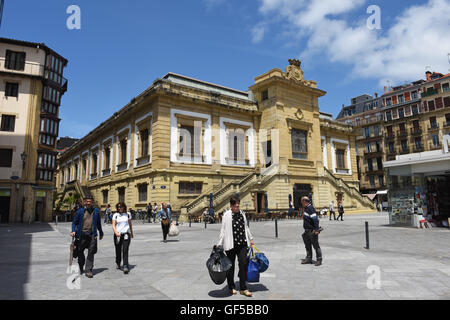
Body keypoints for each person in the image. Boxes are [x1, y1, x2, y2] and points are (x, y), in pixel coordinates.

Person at [217, 196, 254, 297]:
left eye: (238, 203)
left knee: (243, 264)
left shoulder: (242, 213)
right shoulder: (227, 215)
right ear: (231, 205)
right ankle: (231, 286)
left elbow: (246, 226)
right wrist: (219, 243)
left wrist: (250, 238)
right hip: (230, 244)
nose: (237, 206)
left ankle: (243, 288)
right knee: (231, 266)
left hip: (242, 243)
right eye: (235, 204)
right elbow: (223, 230)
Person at [70, 195, 104, 278]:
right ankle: (81, 265)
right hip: (81, 235)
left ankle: (88, 270)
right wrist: (73, 230)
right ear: (85, 202)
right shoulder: (80, 211)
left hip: (92, 235)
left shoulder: (96, 211)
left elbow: (98, 223)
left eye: (90, 201)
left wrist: (101, 232)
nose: (88, 203)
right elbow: (74, 223)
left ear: (92, 202)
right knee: (80, 252)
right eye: (87, 201)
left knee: (91, 252)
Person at [112, 202, 134, 274]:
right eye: (118, 207)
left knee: (125, 249)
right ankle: (118, 262)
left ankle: (125, 265)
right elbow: (113, 225)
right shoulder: (115, 215)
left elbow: (130, 224)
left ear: (124, 207)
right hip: (118, 235)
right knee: (118, 250)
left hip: (126, 235)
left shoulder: (128, 214)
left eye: (121, 207)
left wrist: (131, 233)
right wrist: (116, 233)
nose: (119, 208)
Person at [300, 196, 322, 266]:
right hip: (306, 231)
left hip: (312, 231)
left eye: (301, 201)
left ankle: (319, 259)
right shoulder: (306, 208)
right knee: (307, 245)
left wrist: (316, 229)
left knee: (316, 246)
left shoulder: (310, 208)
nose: (301, 203)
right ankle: (309, 258)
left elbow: (315, 219)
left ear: (304, 201)